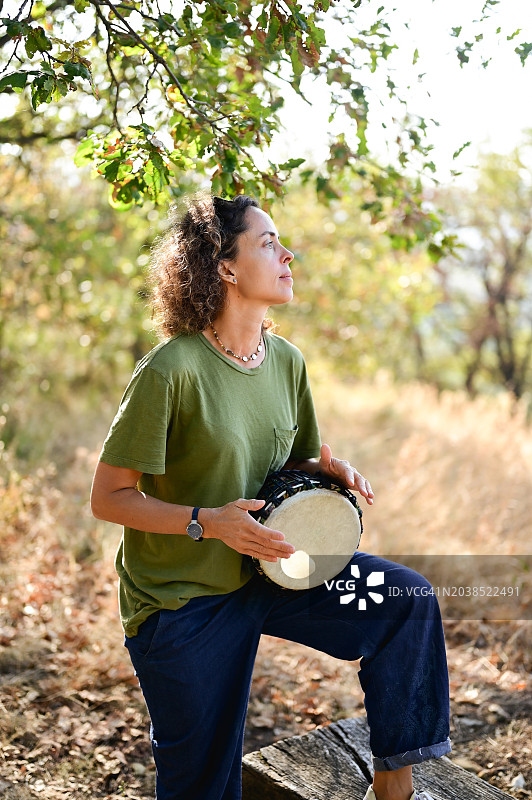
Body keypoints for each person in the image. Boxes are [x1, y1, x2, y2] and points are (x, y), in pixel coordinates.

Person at [90, 193, 451, 800]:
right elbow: (109, 498)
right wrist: (209, 522)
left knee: (404, 602)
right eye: (268, 243)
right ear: (225, 267)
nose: (288, 255)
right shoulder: (171, 370)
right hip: (184, 600)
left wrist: (329, 472)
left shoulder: (285, 361)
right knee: (202, 784)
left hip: (279, 569)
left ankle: (393, 788)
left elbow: (290, 461)